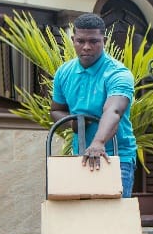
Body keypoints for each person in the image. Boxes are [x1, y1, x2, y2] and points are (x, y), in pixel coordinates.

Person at [50, 13, 137, 197]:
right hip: (81, 156)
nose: (86, 47)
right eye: (80, 41)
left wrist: (98, 142)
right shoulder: (64, 73)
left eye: (94, 41)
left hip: (116, 157)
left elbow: (114, 110)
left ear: (104, 40)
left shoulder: (118, 73)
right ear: (73, 40)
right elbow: (56, 110)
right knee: (85, 219)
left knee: (113, 218)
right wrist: (73, 122)